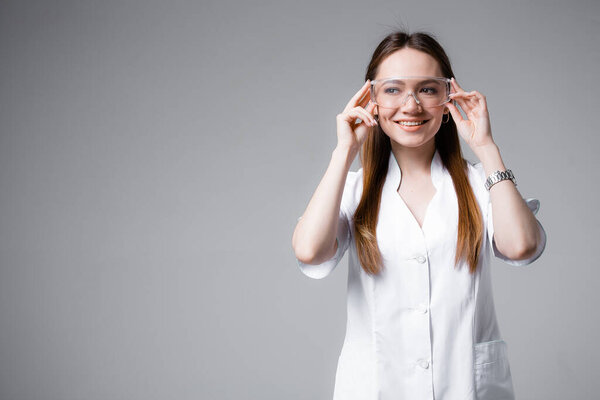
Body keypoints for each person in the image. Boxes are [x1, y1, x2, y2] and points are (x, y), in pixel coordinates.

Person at [291, 30, 547, 400]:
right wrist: (343, 153)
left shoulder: (479, 183)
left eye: (427, 89)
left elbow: (522, 245)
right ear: (371, 99)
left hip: (466, 389)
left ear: (447, 100)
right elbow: (310, 251)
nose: (410, 106)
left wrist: (486, 147)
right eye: (393, 89)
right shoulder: (353, 188)